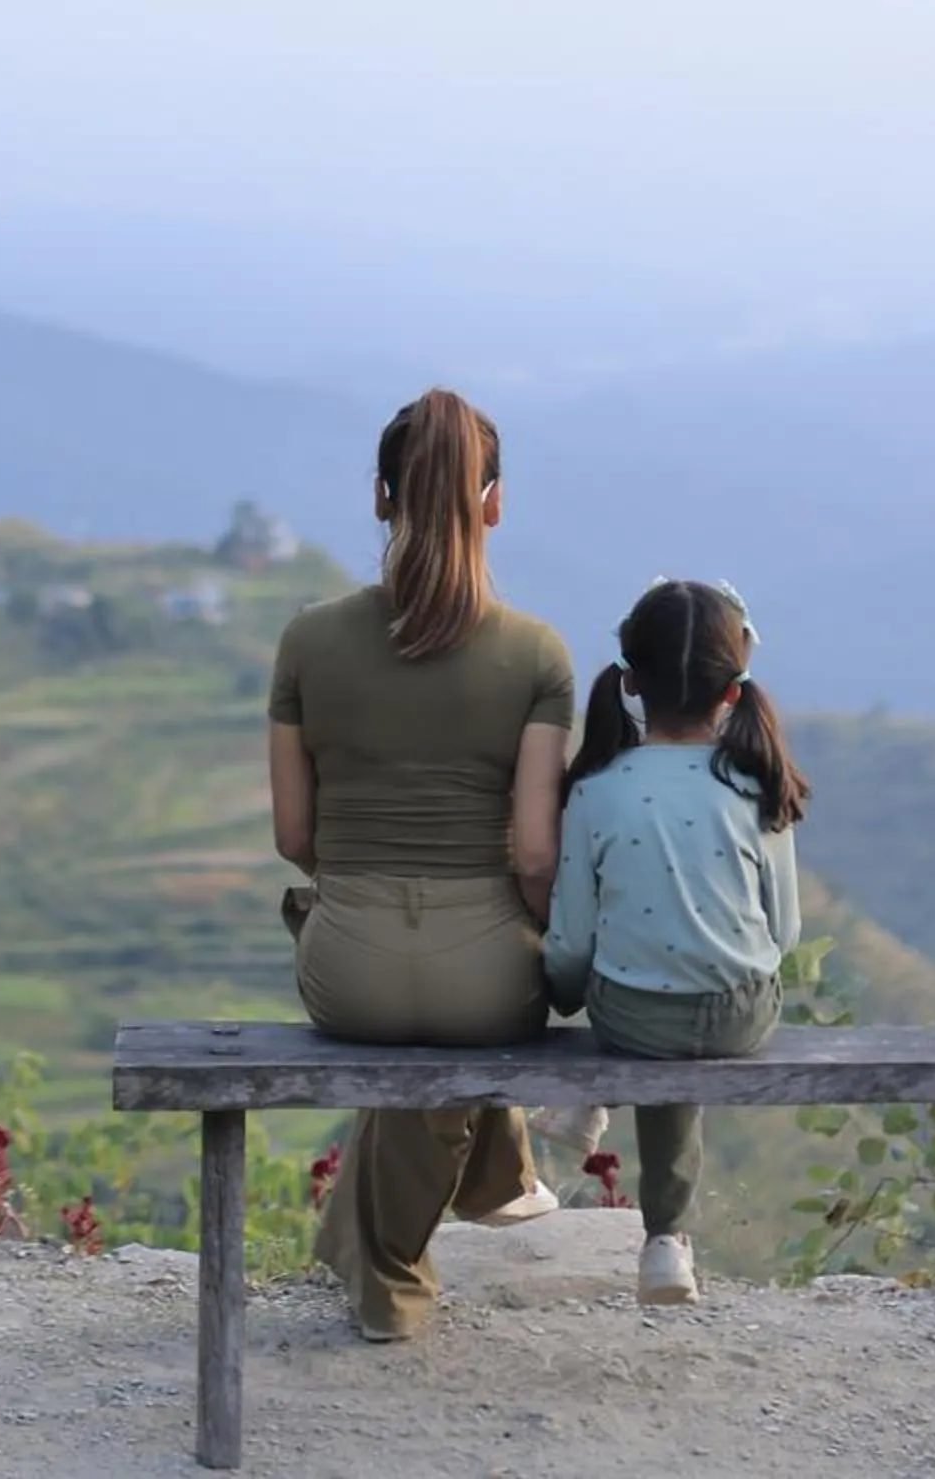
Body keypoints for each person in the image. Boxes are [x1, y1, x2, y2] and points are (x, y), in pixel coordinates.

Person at [267, 387, 577, 1343]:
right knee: (455, 1017)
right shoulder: (537, 654)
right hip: (488, 983)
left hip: (346, 974)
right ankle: (472, 1200)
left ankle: (402, 1255)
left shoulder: (309, 640)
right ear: (495, 503)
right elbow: (536, 856)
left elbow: (294, 835)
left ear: (379, 496)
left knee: (408, 1023)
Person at [542, 577, 809, 1308]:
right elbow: (784, 931)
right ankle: (665, 1237)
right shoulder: (756, 785)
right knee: (683, 1002)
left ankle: (608, 1137)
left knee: (645, 1001)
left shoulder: (596, 791)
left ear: (629, 682)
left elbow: (570, 943)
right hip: (742, 1012)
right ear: (731, 692)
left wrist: (562, 1000)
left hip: (627, 1017)